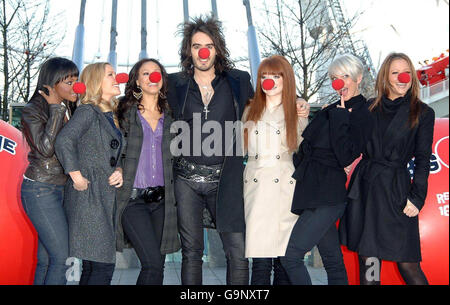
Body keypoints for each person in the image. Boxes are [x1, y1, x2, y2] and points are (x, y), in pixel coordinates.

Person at [166, 15, 254, 285]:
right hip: (186, 180)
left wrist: (296, 103)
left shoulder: (238, 80)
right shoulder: (174, 84)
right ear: (188, 50)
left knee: (237, 252)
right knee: (192, 253)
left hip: (225, 179)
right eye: (196, 46)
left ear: (217, 49)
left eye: (208, 46)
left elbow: (260, 114)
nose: (202, 52)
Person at [339, 53, 435, 285]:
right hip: (366, 191)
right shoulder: (368, 108)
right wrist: (341, 120)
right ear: (386, 77)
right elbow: (350, 149)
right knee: (369, 261)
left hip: (397, 192)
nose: (403, 77)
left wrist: (417, 197)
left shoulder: (422, 112)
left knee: (408, 263)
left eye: (407, 72)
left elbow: (423, 159)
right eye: (395, 72)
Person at [279, 54, 373, 285]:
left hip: (329, 194)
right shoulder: (330, 109)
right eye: (334, 78)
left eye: (345, 76)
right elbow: (305, 146)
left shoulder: (365, 112)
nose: (339, 83)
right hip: (311, 189)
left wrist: (340, 117)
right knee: (333, 261)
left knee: (290, 256)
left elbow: (346, 155)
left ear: (358, 78)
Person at [55, 62, 124, 285]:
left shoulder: (109, 114)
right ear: (96, 82)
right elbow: (64, 140)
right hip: (89, 198)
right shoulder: (87, 111)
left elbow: (112, 154)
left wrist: (119, 170)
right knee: (103, 266)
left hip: (101, 197)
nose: (117, 79)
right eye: (110, 75)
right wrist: (75, 175)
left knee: (94, 266)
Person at [242, 55, 309, 285]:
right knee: (260, 263)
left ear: (286, 79)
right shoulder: (250, 109)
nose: (268, 81)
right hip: (257, 187)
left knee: (284, 261)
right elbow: (239, 146)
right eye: (264, 76)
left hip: (285, 189)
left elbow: (303, 148)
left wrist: (301, 106)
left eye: (275, 76)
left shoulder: (296, 111)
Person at [115, 58, 180, 285]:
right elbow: (108, 148)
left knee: (158, 267)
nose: (152, 77)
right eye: (145, 73)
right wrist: (116, 168)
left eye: (157, 73)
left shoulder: (172, 114)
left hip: (163, 201)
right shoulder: (123, 112)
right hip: (132, 200)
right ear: (137, 81)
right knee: (151, 263)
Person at [20, 57, 79, 285]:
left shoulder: (69, 107)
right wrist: (55, 109)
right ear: (52, 84)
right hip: (40, 189)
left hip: (59, 188)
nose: (76, 87)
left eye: (77, 80)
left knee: (46, 260)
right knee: (61, 258)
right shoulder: (33, 110)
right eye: (69, 82)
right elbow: (45, 149)